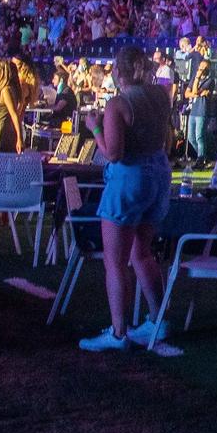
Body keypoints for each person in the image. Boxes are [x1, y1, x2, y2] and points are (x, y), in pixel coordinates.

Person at [75, 47, 173, 350]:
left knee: (115, 261)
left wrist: (95, 128)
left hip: (130, 178)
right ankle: (159, 320)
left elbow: (113, 153)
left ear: (117, 72)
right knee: (142, 252)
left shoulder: (119, 104)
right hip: (158, 172)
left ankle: (118, 332)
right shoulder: (159, 94)